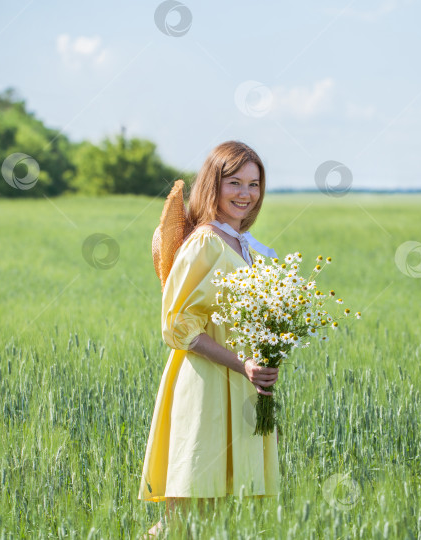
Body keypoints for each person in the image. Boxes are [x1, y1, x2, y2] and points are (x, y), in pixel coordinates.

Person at [140, 141, 281, 537]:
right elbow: (178, 325)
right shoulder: (205, 243)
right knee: (185, 516)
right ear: (212, 186)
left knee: (214, 518)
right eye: (234, 182)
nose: (245, 194)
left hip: (239, 386)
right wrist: (244, 364)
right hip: (205, 386)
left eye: (253, 184)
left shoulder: (242, 245)